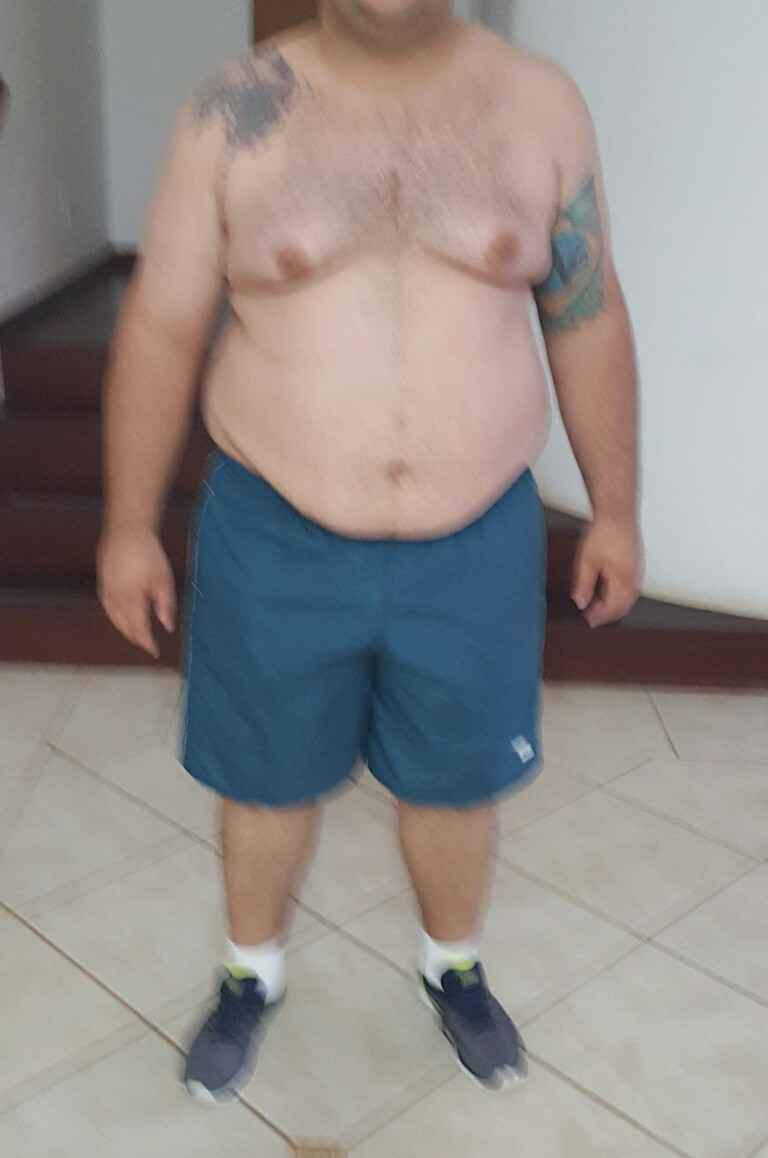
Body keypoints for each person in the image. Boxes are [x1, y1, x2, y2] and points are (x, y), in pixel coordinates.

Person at [98, 0, 641, 1102]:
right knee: (264, 779)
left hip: (476, 538)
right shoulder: (233, 112)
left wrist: (617, 509)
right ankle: (250, 974)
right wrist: (127, 525)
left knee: (457, 783)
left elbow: (585, 312)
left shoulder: (539, 107)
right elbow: (160, 325)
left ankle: (455, 968)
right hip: (274, 533)